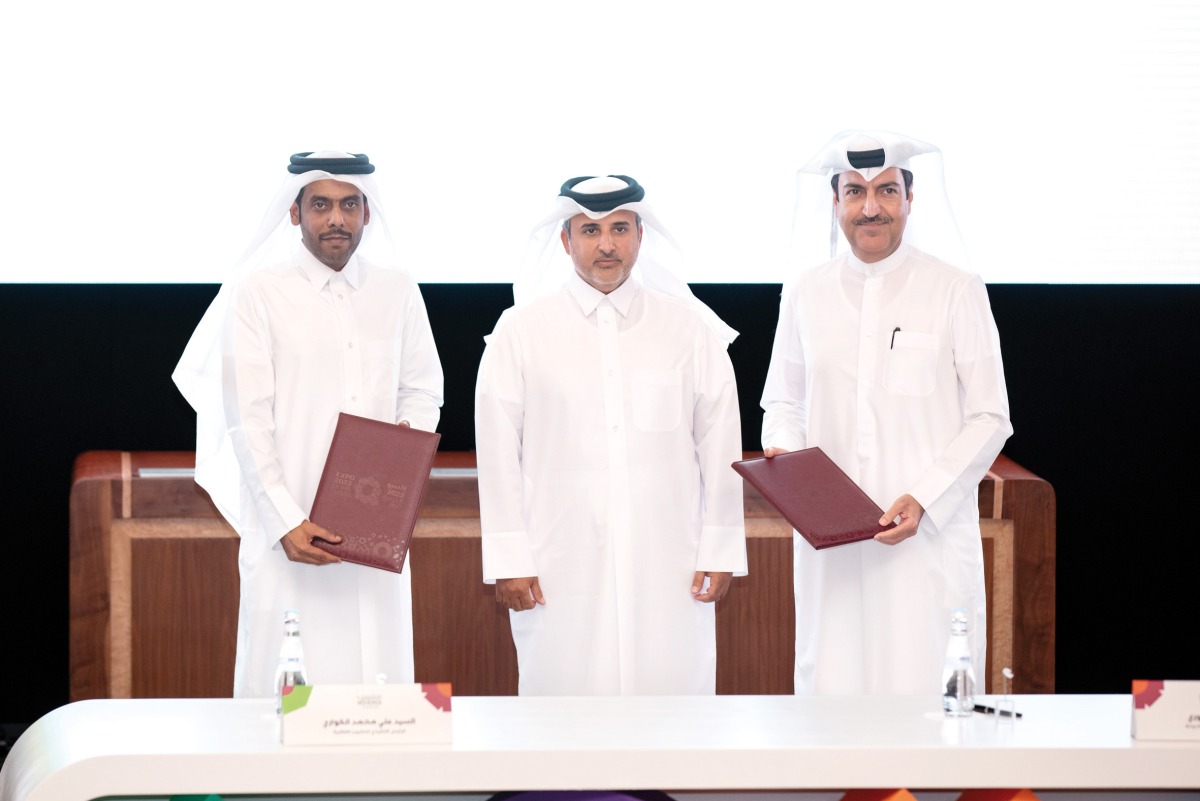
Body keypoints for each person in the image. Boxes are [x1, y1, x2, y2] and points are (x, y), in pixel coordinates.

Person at [173, 151, 444, 697]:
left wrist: (393, 475)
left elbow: (423, 388)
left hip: (375, 527)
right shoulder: (260, 293)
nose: (335, 219)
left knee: (376, 676)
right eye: (320, 205)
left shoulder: (397, 290)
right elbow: (245, 418)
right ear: (295, 214)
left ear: (367, 212)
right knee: (285, 681)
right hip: (289, 529)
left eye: (348, 205)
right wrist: (284, 519)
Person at [761, 131, 1012, 695]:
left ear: (910, 197)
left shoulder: (956, 289)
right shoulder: (805, 291)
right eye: (854, 192)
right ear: (835, 202)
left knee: (927, 696)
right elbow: (782, 400)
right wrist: (785, 450)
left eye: (885, 191)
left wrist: (924, 495)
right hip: (833, 545)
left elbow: (991, 416)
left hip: (927, 541)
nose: (870, 208)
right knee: (835, 690)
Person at [475, 175, 747, 696]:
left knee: (672, 700)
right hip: (558, 562)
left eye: (619, 228)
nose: (606, 244)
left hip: (670, 561)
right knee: (562, 702)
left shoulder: (690, 331)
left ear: (640, 236)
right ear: (565, 240)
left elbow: (719, 448)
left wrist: (721, 549)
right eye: (590, 229)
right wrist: (509, 560)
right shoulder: (519, 332)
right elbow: (497, 452)